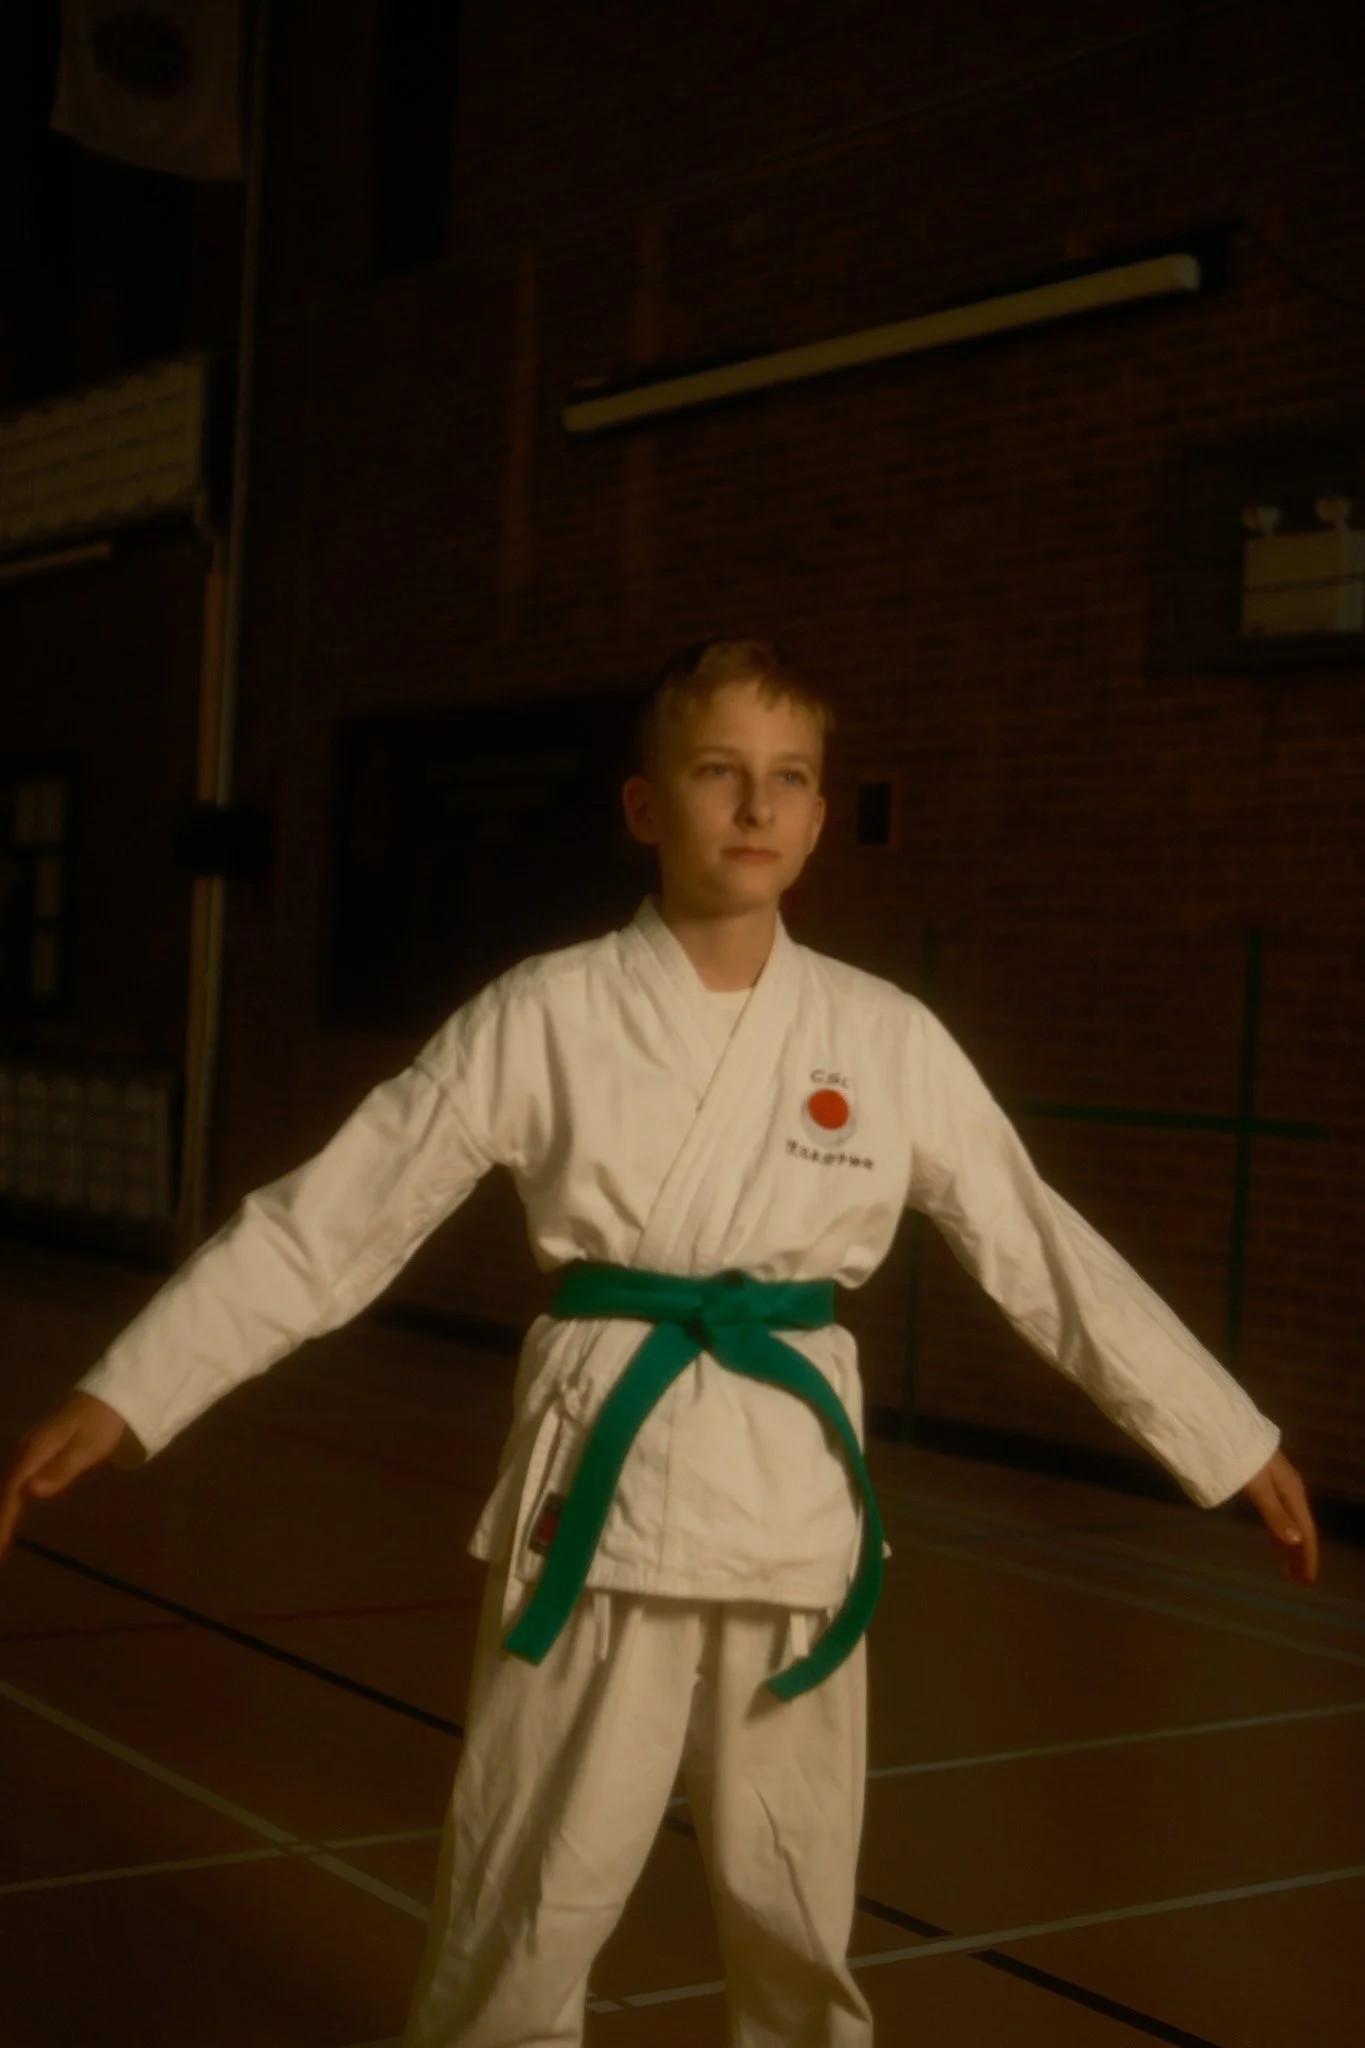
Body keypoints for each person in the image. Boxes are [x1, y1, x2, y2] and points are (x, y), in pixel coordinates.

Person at [0, 638, 1319, 2046]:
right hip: (595, 1494)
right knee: (527, 1895)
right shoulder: (545, 1012)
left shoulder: (885, 1036)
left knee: (796, 1908)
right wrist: (133, 1386)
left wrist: (1224, 1433)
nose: (755, 806)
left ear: (819, 817)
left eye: (788, 779)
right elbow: (338, 1211)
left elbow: (1039, 1248)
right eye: (718, 772)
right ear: (645, 804)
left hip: (790, 1506)